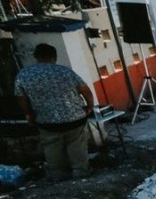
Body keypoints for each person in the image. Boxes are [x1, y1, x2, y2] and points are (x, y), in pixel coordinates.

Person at [14, 44, 95, 180]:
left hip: (46, 120)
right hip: (74, 117)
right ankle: (80, 171)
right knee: (76, 144)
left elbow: (20, 97)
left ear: (36, 57)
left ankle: (57, 174)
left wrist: (28, 114)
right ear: (54, 57)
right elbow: (86, 91)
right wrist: (89, 107)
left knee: (52, 147)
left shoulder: (23, 75)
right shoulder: (65, 71)